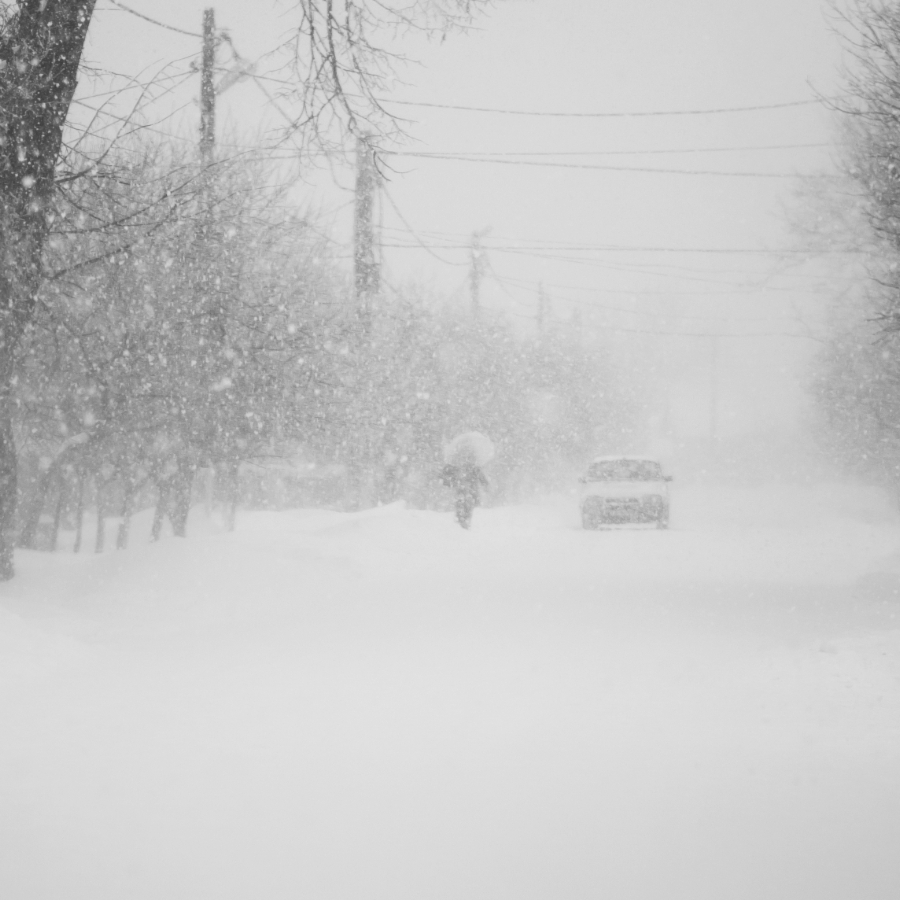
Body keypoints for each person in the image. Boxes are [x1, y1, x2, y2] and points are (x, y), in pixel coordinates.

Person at [440, 458, 489, 529]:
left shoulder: (457, 464)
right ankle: (463, 521)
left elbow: (447, 474)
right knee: (466, 503)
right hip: (469, 489)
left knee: (463, 503)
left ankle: (462, 520)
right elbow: (480, 476)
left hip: (464, 488)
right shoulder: (472, 466)